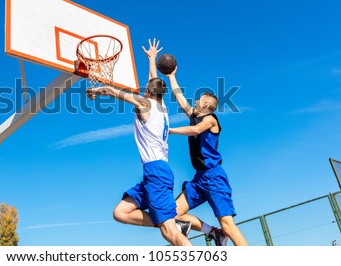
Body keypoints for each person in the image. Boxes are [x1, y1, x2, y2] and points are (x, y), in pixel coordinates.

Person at [86, 39, 191, 246]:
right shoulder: (162, 108)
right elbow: (154, 79)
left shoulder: (145, 103)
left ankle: (172, 226)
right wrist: (152, 59)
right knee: (121, 212)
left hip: (156, 171)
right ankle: (170, 222)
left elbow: (117, 93)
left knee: (170, 234)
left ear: (149, 93)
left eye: (146, 89)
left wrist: (97, 90)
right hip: (154, 172)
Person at [166, 66, 248, 246]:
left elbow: (195, 130)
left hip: (214, 177)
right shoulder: (195, 116)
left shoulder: (211, 120)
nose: (195, 100)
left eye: (198, 99)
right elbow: (180, 98)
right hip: (199, 178)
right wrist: (171, 76)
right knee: (172, 214)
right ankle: (213, 233)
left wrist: (168, 130)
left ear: (204, 104)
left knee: (228, 226)